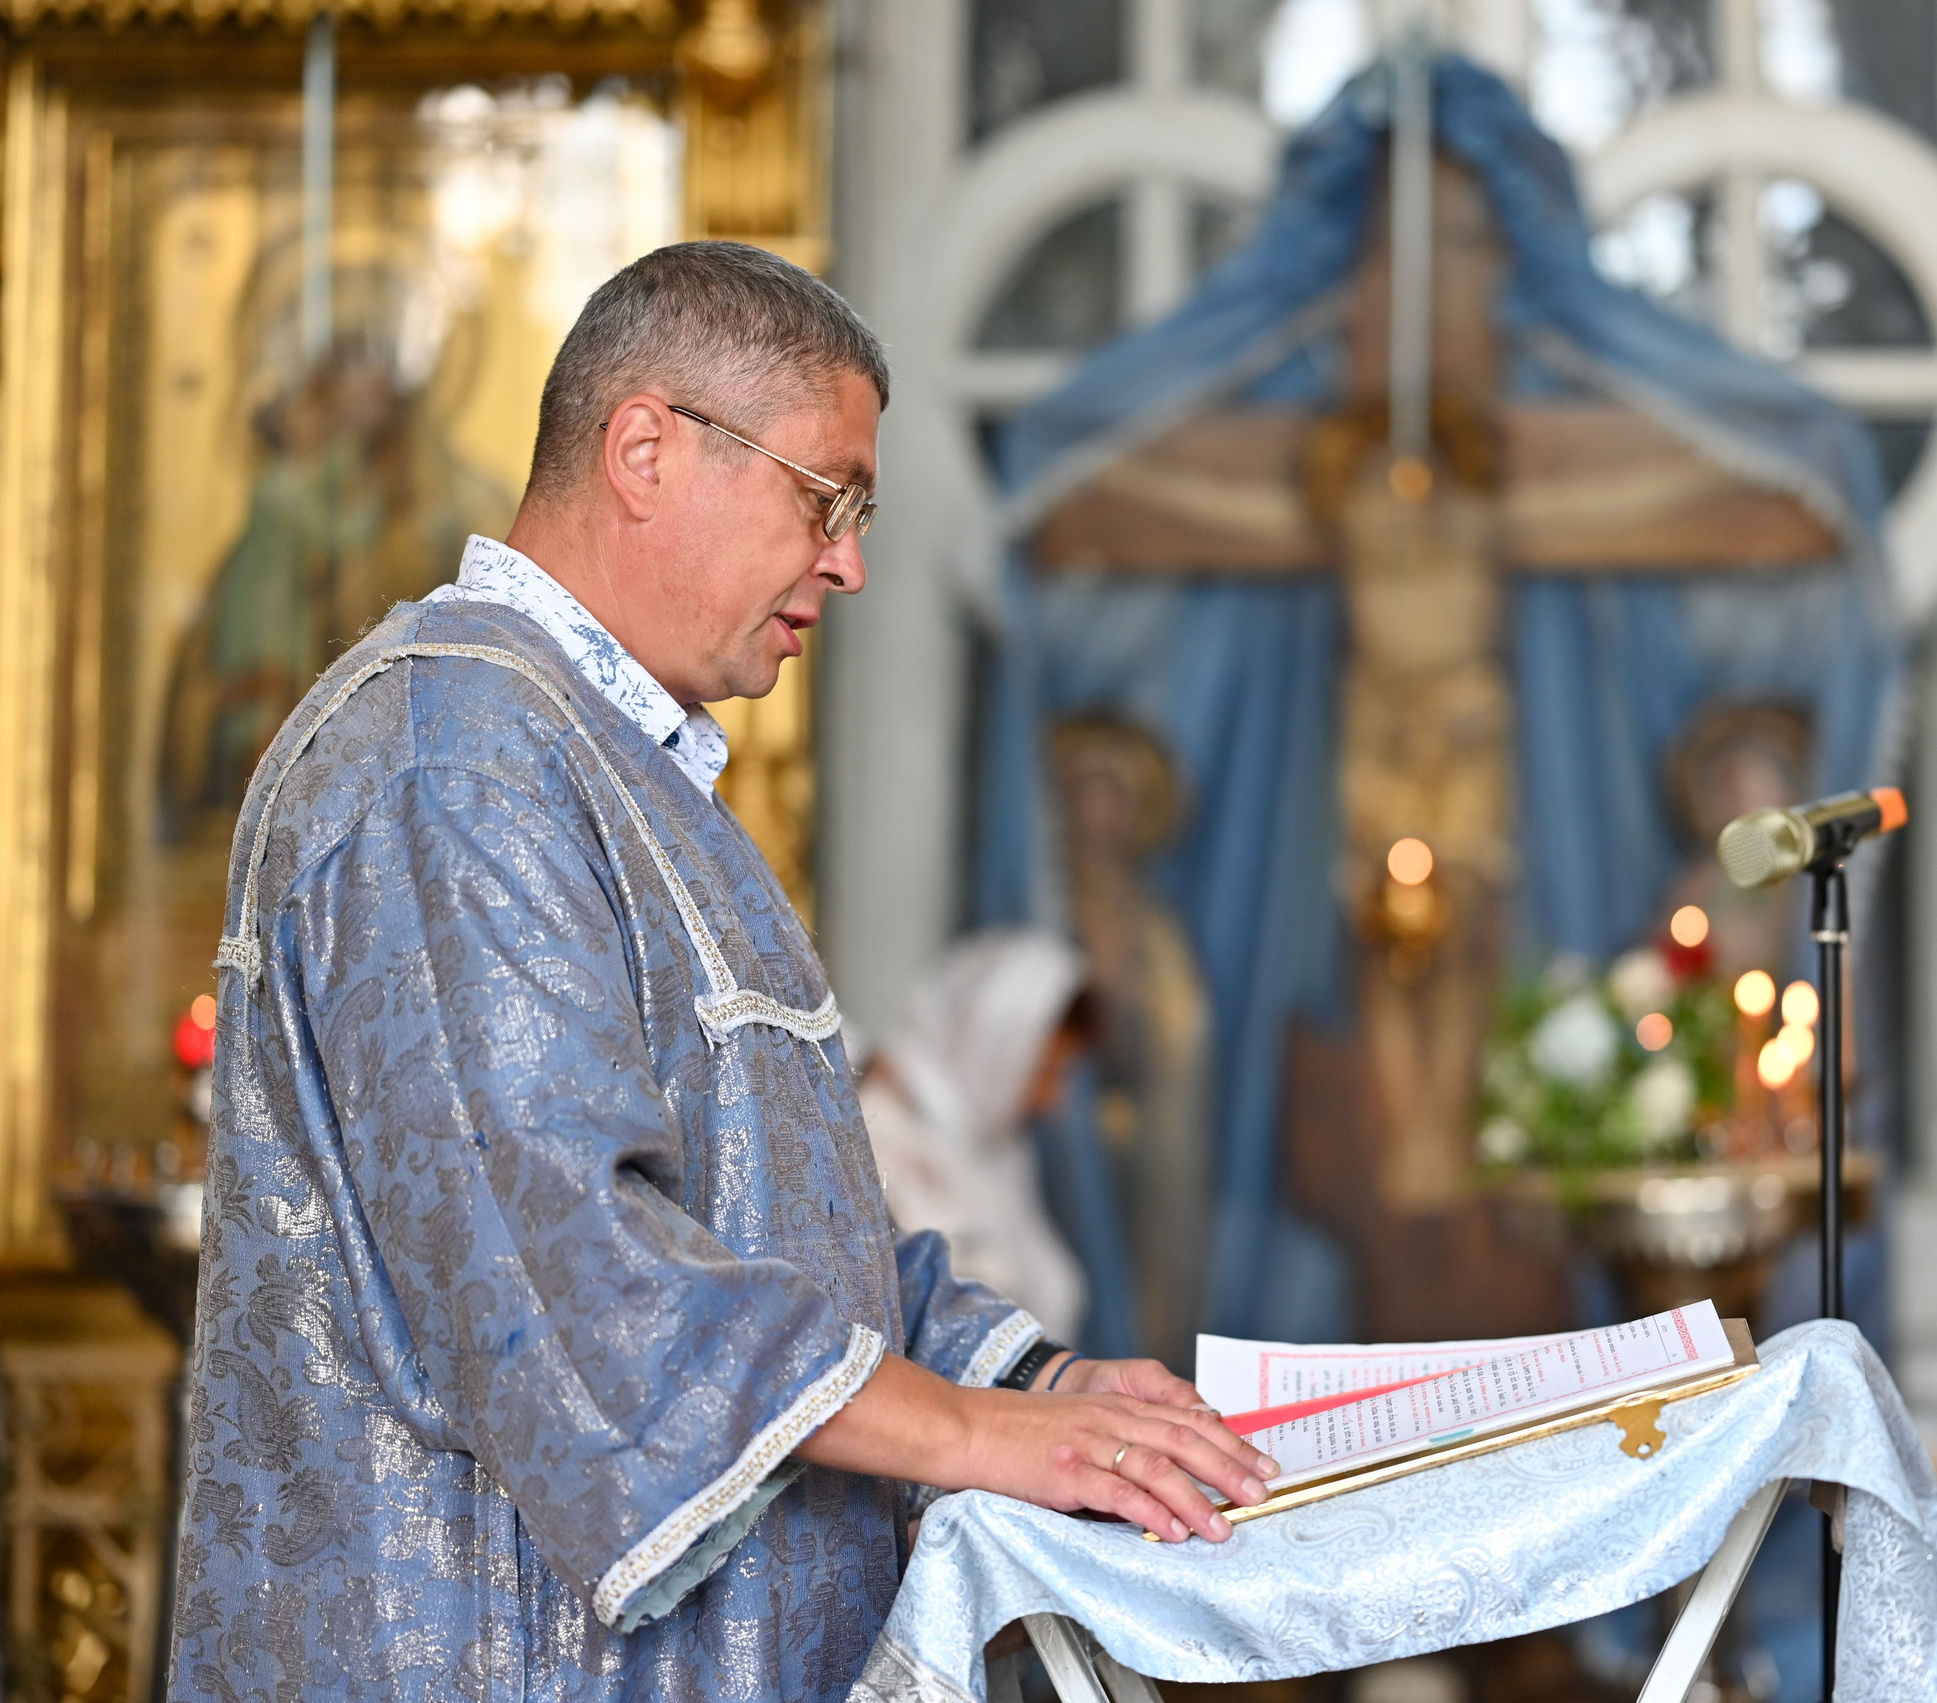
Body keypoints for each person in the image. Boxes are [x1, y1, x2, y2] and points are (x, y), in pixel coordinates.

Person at [170, 241, 1274, 1703]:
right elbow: (565, 1264)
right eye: (827, 498)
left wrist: (1035, 1383)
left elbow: (777, 1235)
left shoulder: (612, 763)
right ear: (645, 447)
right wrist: (962, 1433)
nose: (851, 561)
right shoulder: (449, 757)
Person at [860, 930, 1095, 1338]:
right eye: (1045, 1073)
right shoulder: (880, 1132)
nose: (1054, 1100)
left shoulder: (996, 1150)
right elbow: (942, 1318)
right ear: (993, 1045)